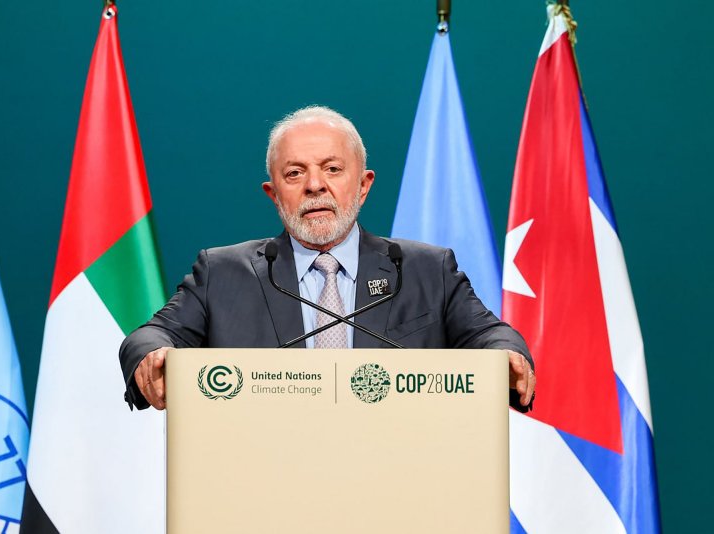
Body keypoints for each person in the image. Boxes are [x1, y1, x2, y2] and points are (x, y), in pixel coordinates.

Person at [120, 106, 535, 411]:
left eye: (333, 169)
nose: (315, 185)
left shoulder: (425, 270)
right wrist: (151, 355)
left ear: (364, 184)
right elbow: (149, 337)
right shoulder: (223, 273)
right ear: (273, 193)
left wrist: (508, 354)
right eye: (295, 173)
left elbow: (491, 337)